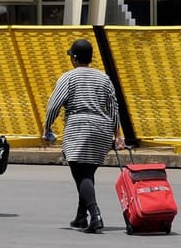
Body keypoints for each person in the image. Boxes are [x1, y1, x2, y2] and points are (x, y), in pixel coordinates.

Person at [43, 38, 122, 233]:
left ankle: (95, 215)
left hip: (79, 127)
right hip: (102, 128)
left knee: (81, 174)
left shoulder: (68, 77)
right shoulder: (104, 78)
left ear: (74, 58)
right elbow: (113, 106)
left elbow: (54, 104)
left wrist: (46, 127)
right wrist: (117, 134)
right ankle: (81, 216)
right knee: (87, 172)